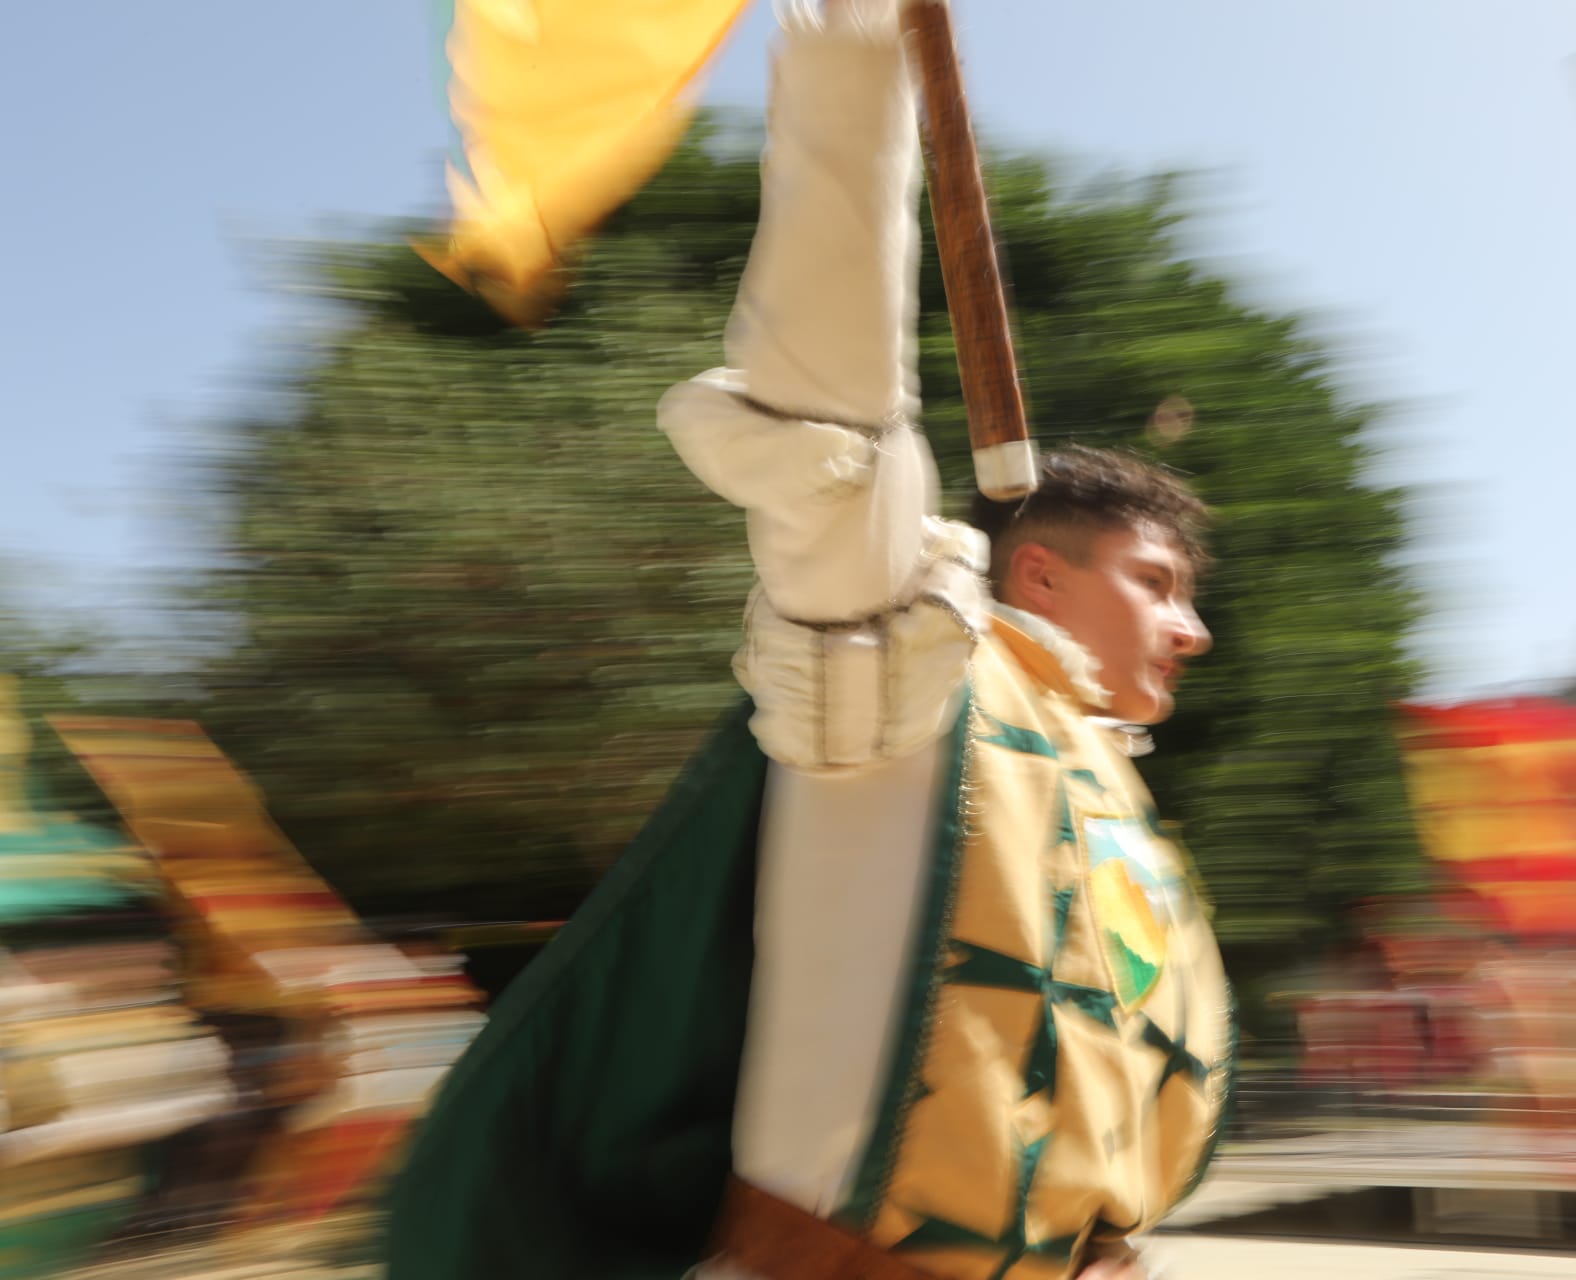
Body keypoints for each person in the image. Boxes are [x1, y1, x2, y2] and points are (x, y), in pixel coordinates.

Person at [384, 2, 1230, 1276]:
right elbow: (838, 415)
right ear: (1040, 573)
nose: (1193, 628)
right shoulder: (910, 677)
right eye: (1158, 582)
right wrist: (854, 56)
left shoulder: (1105, 787)